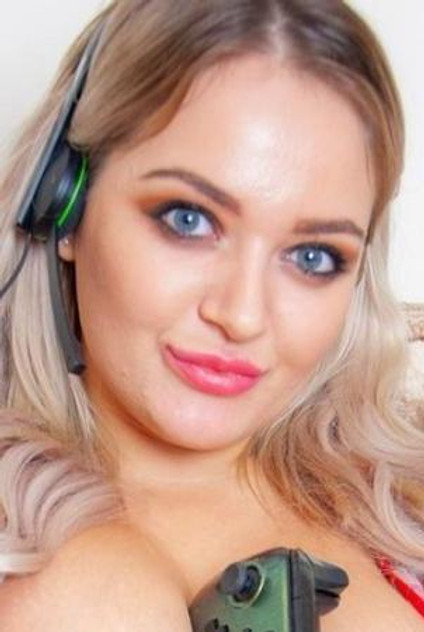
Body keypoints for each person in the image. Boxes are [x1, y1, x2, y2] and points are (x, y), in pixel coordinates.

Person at [0, 0, 423, 629]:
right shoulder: (61, 576)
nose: (242, 315)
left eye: (312, 256)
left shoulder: (400, 502)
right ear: (64, 202)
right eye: (188, 219)